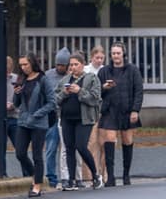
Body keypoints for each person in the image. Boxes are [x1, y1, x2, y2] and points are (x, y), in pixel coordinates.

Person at [97, 43, 144, 186]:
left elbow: (138, 91)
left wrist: (135, 110)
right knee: (109, 139)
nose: (116, 56)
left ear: (123, 54)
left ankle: (126, 174)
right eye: (113, 53)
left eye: (118, 53)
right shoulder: (104, 71)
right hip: (110, 109)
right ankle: (110, 176)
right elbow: (96, 91)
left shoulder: (132, 70)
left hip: (127, 110)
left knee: (127, 140)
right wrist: (104, 87)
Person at [56, 52, 102, 191]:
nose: (73, 67)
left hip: (84, 118)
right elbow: (56, 98)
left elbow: (95, 98)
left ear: (83, 65)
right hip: (67, 118)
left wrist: (79, 91)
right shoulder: (64, 80)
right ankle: (71, 180)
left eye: (76, 64)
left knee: (81, 146)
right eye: (71, 65)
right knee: (69, 148)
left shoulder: (92, 78)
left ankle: (95, 175)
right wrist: (65, 93)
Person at [12, 53, 54, 197]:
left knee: (37, 155)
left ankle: (37, 185)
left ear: (32, 63)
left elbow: (52, 103)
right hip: (23, 121)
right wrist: (16, 93)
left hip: (39, 123)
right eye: (21, 65)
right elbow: (16, 104)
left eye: (26, 64)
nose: (23, 68)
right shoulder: (21, 79)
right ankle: (35, 176)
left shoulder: (43, 79)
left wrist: (37, 114)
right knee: (20, 153)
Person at [43, 48, 70, 190]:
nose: (60, 67)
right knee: (51, 148)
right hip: (53, 117)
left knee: (67, 150)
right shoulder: (48, 75)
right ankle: (51, 177)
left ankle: (68, 177)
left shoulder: (71, 75)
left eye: (63, 65)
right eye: (58, 64)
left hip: (66, 116)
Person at [85, 45, 108, 184]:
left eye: (101, 58)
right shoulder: (87, 70)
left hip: (104, 110)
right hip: (91, 110)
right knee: (91, 143)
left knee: (104, 143)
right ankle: (90, 175)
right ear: (91, 57)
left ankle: (104, 174)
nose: (99, 60)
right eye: (96, 57)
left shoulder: (105, 70)